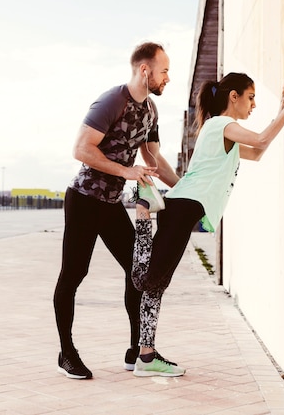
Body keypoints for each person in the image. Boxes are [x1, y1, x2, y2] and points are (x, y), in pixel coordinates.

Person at [131, 70, 284, 377]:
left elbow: (259, 152)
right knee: (147, 281)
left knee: (156, 287)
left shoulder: (221, 131)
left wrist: (281, 111)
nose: (253, 105)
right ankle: (142, 212)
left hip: (183, 207)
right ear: (233, 97)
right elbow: (262, 138)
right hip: (183, 208)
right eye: (250, 98)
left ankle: (146, 356)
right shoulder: (222, 124)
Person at [53, 42, 180, 379]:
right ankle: (66, 353)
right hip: (83, 200)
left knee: (138, 272)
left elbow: (153, 159)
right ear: (145, 70)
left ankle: (138, 350)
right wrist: (126, 171)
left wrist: (182, 189)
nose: (168, 77)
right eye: (164, 70)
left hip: (109, 204)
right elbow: (81, 149)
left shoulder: (151, 111)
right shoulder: (112, 101)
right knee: (74, 274)